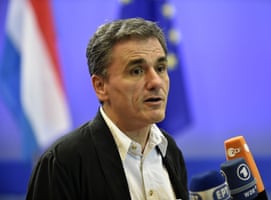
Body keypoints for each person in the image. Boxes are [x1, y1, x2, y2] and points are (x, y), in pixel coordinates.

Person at [26, 17, 188, 200]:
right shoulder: (62, 162)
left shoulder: (170, 151)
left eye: (160, 68)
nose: (156, 82)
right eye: (137, 71)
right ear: (100, 86)